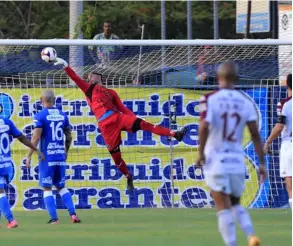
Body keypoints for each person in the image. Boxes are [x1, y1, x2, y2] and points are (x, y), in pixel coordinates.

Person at [53, 57, 187, 191]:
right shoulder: (88, 89)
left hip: (118, 117)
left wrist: (135, 118)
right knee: (117, 159)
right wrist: (65, 65)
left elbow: (122, 108)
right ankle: (128, 176)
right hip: (106, 126)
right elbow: (75, 78)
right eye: (89, 76)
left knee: (145, 125)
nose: (90, 76)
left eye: (92, 75)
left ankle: (175, 134)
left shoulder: (111, 92)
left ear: (99, 77)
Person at [197, 62, 267, 246]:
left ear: (218, 77)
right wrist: (261, 163)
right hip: (236, 161)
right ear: (236, 78)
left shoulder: (209, 99)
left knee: (223, 208)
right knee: (235, 203)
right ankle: (251, 235)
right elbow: (255, 134)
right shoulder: (245, 102)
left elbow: (204, 127)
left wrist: (200, 154)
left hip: (216, 160)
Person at [25, 90, 81, 224]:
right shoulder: (63, 115)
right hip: (60, 156)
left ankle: (54, 219)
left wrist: (28, 155)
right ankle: (73, 215)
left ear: (41, 99)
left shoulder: (40, 116)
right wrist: (66, 151)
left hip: (47, 157)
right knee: (61, 187)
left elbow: (36, 137)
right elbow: (69, 136)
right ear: (54, 99)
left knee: (47, 188)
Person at [0, 116, 43, 228]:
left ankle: (11, 220)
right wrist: (35, 148)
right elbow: (21, 137)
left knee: (0, 193)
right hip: (5, 163)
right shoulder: (6, 122)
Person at [264, 74, 292, 208]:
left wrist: (268, 141)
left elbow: (280, 125)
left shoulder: (285, 104)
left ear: (287, 85)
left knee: (289, 179)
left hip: (289, 144)